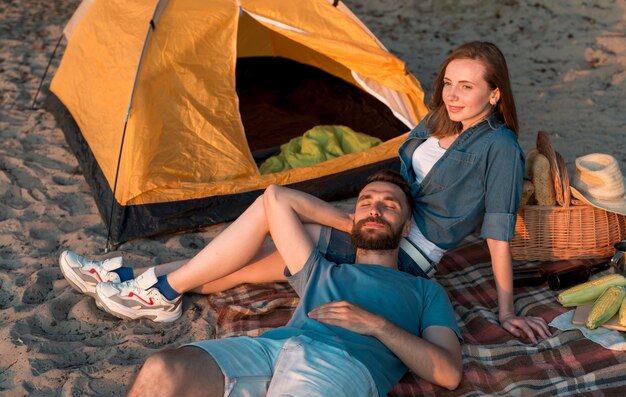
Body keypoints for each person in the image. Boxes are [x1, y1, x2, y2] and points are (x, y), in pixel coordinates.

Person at [59, 41, 550, 342]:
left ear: (495, 93)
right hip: (376, 225)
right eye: (449, 82)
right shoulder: (439, 119)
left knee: (272, 212)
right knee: (237, 266)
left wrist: (506, 311)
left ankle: (152, 287)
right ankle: (138, 282)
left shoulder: (500, 148)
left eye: (467, 87)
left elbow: (498, 232)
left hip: (399, 254)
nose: (453, 94)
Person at [112, 171, 463, 397]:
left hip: (341, 368)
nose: (375, 209)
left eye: (389, 206)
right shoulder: (322, 269)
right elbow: (276, 198)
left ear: (405, 227)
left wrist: (377, 325)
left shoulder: (425, 291)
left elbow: (447, 372)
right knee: (162, 370)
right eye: (366, 202)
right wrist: (350, 223)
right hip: (272, 349)